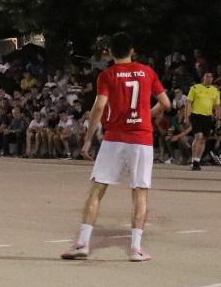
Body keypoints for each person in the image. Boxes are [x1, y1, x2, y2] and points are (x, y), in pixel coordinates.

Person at [62, 34, 170, 262]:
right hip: (141, 139)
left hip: (115, 138)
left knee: (97, 190)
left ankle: (82, 243)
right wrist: (145, 116)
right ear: (133, 50)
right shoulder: (147, 72)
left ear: (110, 52)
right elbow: (166, 103)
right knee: (140, 192)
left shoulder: (107, 75)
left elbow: (99, 106)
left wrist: (89, 137)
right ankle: (136, 248)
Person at [185, 71, 220, 170]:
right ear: (203, 78)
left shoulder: (215, 91)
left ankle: (197, 160)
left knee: (203, 139)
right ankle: (193, 160)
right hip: (196, 115)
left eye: (211, 77)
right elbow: (188, 102)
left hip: (208, 116)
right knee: (198, 137)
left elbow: (217, 105)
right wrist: (186, 116)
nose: (209, 78)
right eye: (207, 76)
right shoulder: (195, 88)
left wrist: (218, 115)